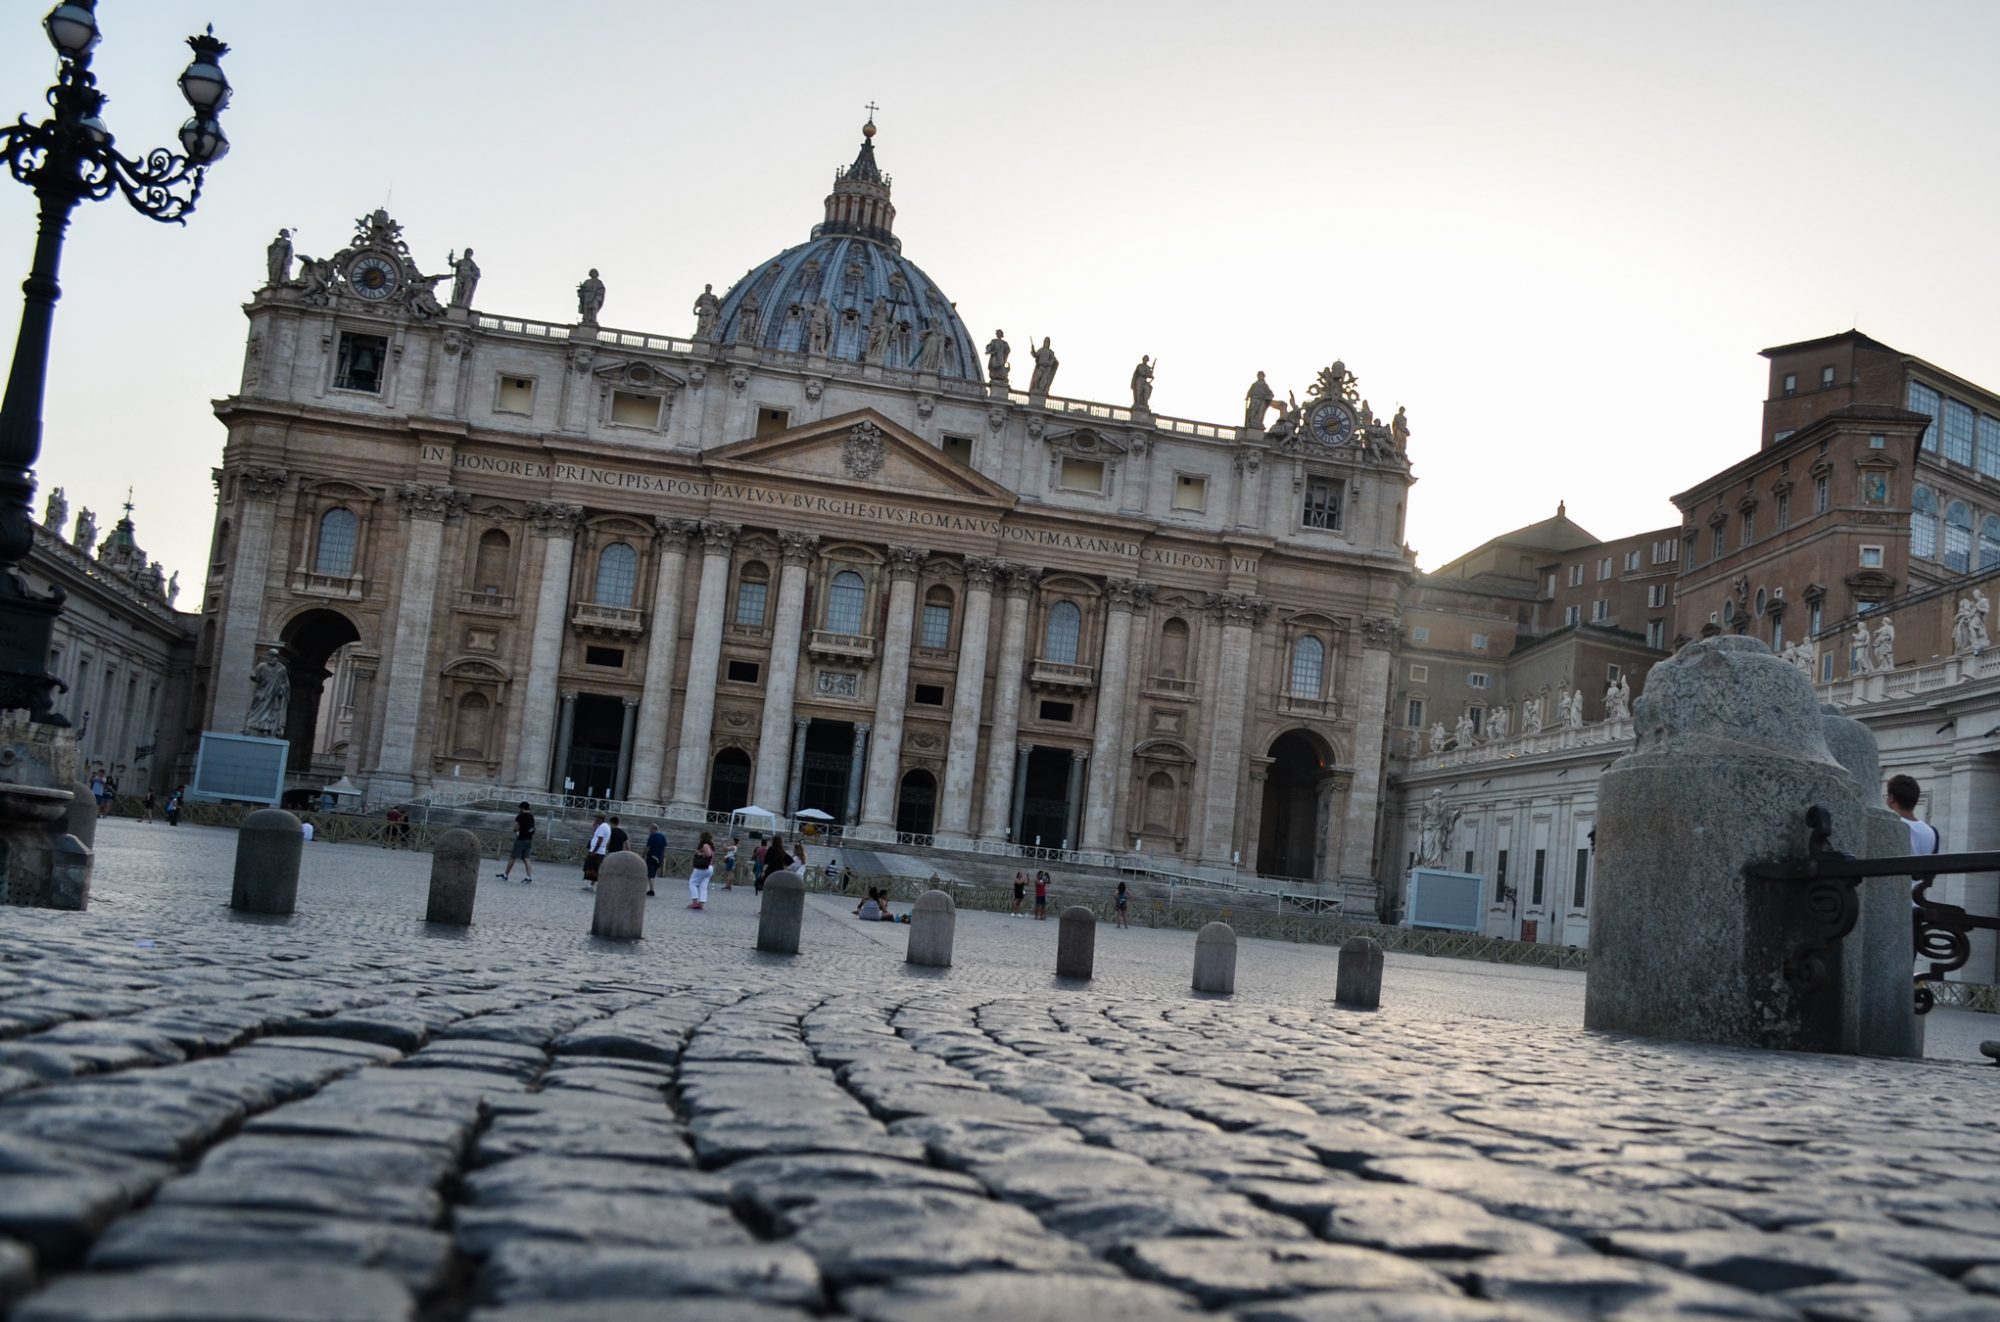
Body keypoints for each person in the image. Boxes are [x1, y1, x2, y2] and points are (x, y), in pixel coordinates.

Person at [499, 801, 536, 884]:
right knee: (526, 858)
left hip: (521, 839)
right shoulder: (531, 816)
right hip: (529, 839)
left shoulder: (520, 816)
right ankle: (529, 877)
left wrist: (515, 830)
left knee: (512, 857)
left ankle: (505, 875)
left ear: (522, 808)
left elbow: (516, 827)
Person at [688, 831, 716, 910]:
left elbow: (709, 854)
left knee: (692, 882)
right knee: (703, 886)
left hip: (703, 866)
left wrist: (699, 853)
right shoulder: (711, 845)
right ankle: (701, 903)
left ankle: (695, 901)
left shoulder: (705, 845)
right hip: (709, 867)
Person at [583, 813, 609, 889]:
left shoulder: (602, 827)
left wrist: (594, 851)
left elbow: (600, 840)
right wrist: (594, 827)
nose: (595, 819)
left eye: (596, 818)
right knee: (592, 868)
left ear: (600, 818)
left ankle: (594, 885)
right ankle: (592, 884)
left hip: (597, 851)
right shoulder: (602, 826)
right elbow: (595, 836)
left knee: (592, 869)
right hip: (597, 851)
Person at [645, 823, 667, 897]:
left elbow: (648, 847)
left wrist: (643, 855)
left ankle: (651, 889)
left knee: (650, 873)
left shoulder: (652, 836)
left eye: (650, 829)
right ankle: (651, 888)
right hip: (658, 857)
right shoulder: (662, 836)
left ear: (653, 829)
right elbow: (664, 848)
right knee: (653, 873)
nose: (649, 830)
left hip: (651, 856)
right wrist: (662, 857)